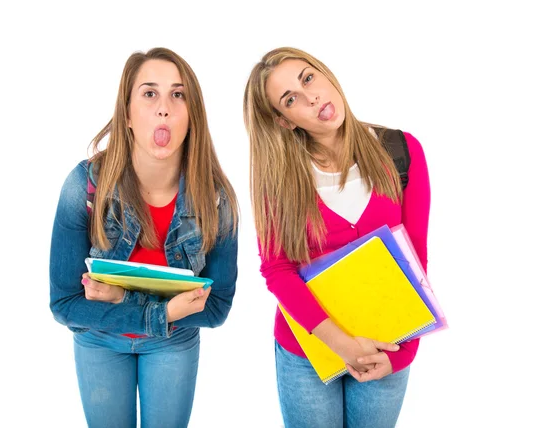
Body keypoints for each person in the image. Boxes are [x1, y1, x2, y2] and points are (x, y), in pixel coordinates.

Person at [49, 47, 239, 428]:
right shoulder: (85, 185)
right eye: (150, 93)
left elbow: (216, 308)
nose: (164, 107)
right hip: (99, 341)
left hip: (173, 343)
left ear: (192, 116)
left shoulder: (216, 198)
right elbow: (64, 303)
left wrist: (123, 298)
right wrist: (163, 312)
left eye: (178, 94)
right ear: (128, 114)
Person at [243, 47, 431, 428]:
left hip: (386, 344)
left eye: (308, 77)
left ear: (325, 74)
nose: (311, 97)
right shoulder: (280, 179)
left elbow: (417, 262)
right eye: (291, 99)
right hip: (308, 353)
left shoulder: (401, 152)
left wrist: (402, 353)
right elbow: (278, 270)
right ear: (283, 121)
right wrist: (341, 344)